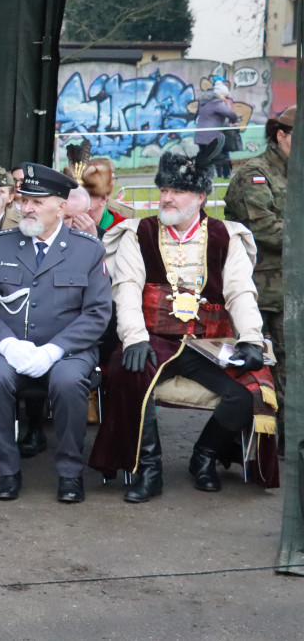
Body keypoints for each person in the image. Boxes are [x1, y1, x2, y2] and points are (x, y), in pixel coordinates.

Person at [89, 141, 277, 501]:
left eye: (178, 190)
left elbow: (240, 292)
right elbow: (126, 289)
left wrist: (252, 338)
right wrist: (133, 338)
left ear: (201, 196)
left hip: (208, 342)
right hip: (153, 337)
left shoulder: (228, 236)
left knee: (250, 389)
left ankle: (203, 457)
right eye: (165, 189)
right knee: (129, 372)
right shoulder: (136, 233)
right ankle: (149, 468)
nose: (168, 197)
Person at [0, 163, 112, 503]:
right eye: (24, 200)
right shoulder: (0, 245)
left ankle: (69, 473)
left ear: (62, 207)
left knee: (67, 381)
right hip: (11, 349)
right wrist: (6, 344)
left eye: (37, 201)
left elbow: (97, 314)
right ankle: (6, 470)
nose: (27, 208)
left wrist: (54, 350)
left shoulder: (88, 249)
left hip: (68, 353)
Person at [224, 106, 293, 425]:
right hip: (262, 292)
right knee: (265, 367)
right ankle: (264, 442)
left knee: (292, 366)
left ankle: (289, 436)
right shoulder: (256, 174)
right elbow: (265, 230)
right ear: (282, 135)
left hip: (291, 288)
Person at [195, 80, 239, 178]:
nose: (225, 98)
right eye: (225, 95)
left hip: (201, 136)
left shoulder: (204, 102)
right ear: (220, 94)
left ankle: (207, 178)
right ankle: (225, 176)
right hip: (213, 136)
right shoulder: (216, 103)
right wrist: (234, 119)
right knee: (222, 155)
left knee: (206, 158)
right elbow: (229, 113)